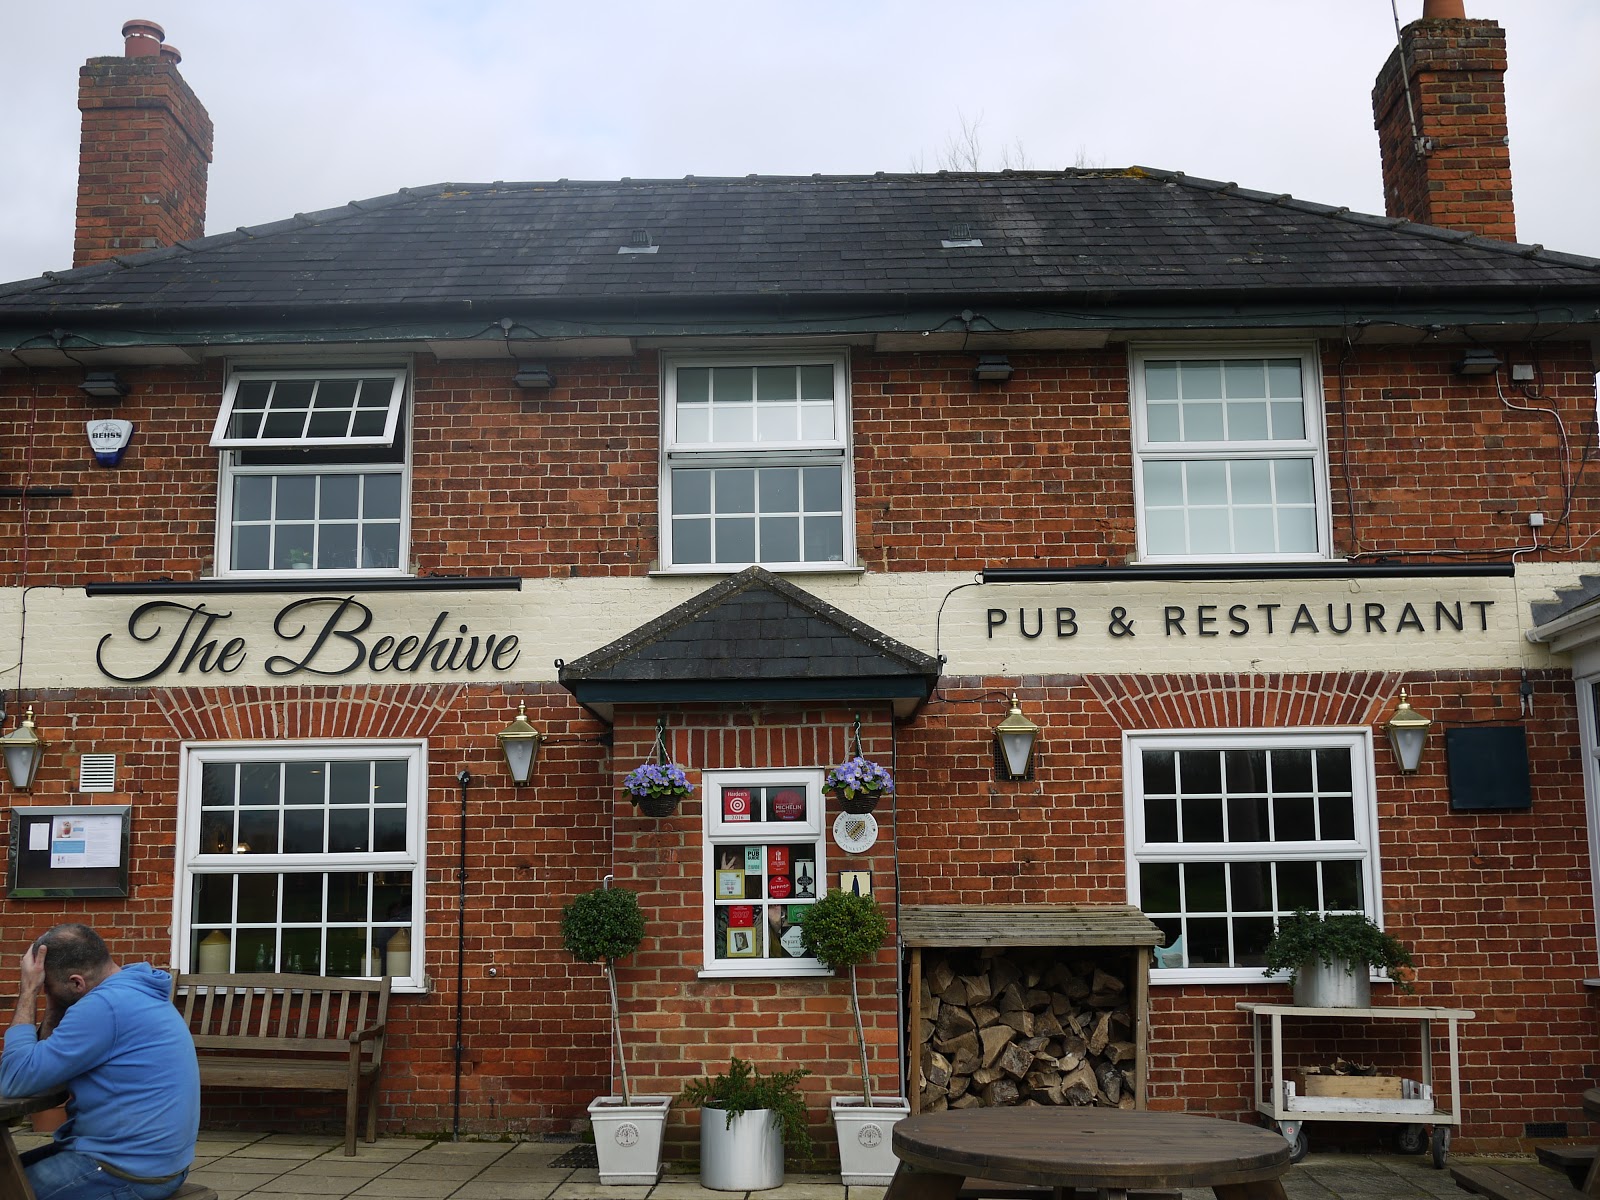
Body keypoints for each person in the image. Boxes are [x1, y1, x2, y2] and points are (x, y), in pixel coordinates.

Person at [1, 924, 200, 1200]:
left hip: (128, 1171)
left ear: (76, 983)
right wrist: (56, 998)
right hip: (154, 1162)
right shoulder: (134, 988)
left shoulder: (105, 1006)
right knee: (7, 1175)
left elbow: (15, 1080)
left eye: (49, 987)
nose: (47, 992)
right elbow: (47, 1074)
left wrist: (29, 992)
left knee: (9, 1189)